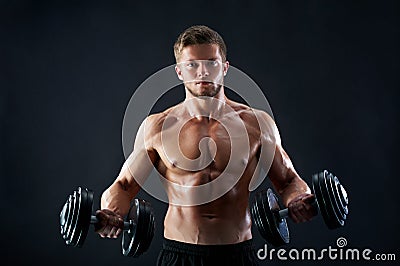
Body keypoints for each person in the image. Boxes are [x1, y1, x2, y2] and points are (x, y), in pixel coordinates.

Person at [95, 25, 317, 265]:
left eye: (211, 63)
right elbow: (124, 186)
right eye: (192, 65)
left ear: (224, 68)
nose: (202, 72)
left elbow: (288, 181)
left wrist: (298, 200)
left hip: (238, 254)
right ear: (179, 71)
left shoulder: (257, 124)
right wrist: (111, 213)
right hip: (179, 255)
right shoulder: (157, 127)